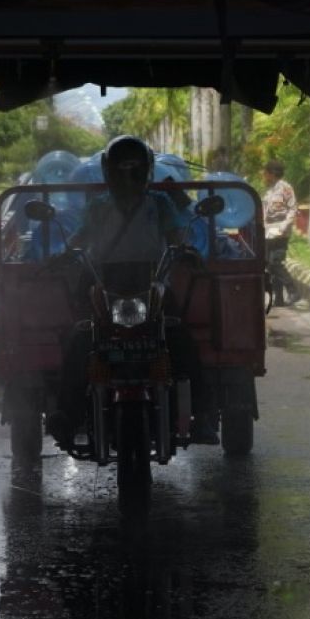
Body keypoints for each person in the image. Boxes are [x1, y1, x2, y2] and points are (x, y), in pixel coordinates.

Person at [50, 135, 218, 446]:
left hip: (151, 281)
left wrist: (187, 250)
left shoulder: (160, 203)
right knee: (79, 339)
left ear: (147, 170)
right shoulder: (98, 206)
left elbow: (176, 235)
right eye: (121, 169)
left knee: (179, 338)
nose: (128, 176)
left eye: (134, 169)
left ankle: (204, 415)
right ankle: (67, 416)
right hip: (106, 285)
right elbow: (80, 237)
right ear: (108, 171)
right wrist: (64, 253)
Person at [262, 160, 300, 307]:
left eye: (265, 173)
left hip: (280, 232)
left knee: (276, 262)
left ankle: (293, 290)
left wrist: (284, 226)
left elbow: (293, 208)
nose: (264, 176)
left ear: (271, 174)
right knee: (270, 266)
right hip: (268, 232)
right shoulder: (269, 190)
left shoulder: (285, 188)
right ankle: (279, 299)